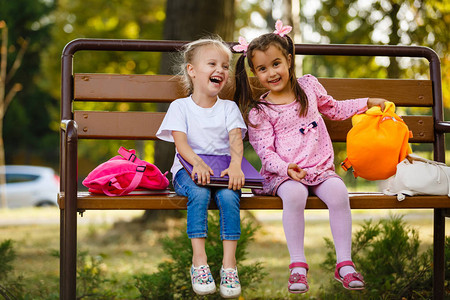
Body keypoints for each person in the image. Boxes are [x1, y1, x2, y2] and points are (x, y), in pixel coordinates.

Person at [233, 20, 386, 294]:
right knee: (295, 196)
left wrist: (367, 103)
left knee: (339, 193)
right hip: (283, 175)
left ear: (289, 61)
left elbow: (336, 109)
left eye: (276, 63)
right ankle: (298, 266)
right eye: (262, 69)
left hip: (319, 168)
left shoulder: (309, 88)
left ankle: (345, 264)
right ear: (254, 73)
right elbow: (265, 152)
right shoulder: (261, 111)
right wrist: (285, 168)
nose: (272, 73)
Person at [156, 37, 246, 298]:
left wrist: (237, 166)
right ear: (192, 70)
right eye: (212, 63)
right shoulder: (180, 107)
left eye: (225, 65)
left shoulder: (228, 108)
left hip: (223, 171)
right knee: (199, 193)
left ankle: (229, 266)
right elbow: (181, 143)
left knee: (230, 196)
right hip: (187, 170)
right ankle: (199, 261)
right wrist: (197, 163)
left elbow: (235, 140)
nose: (220, 69)